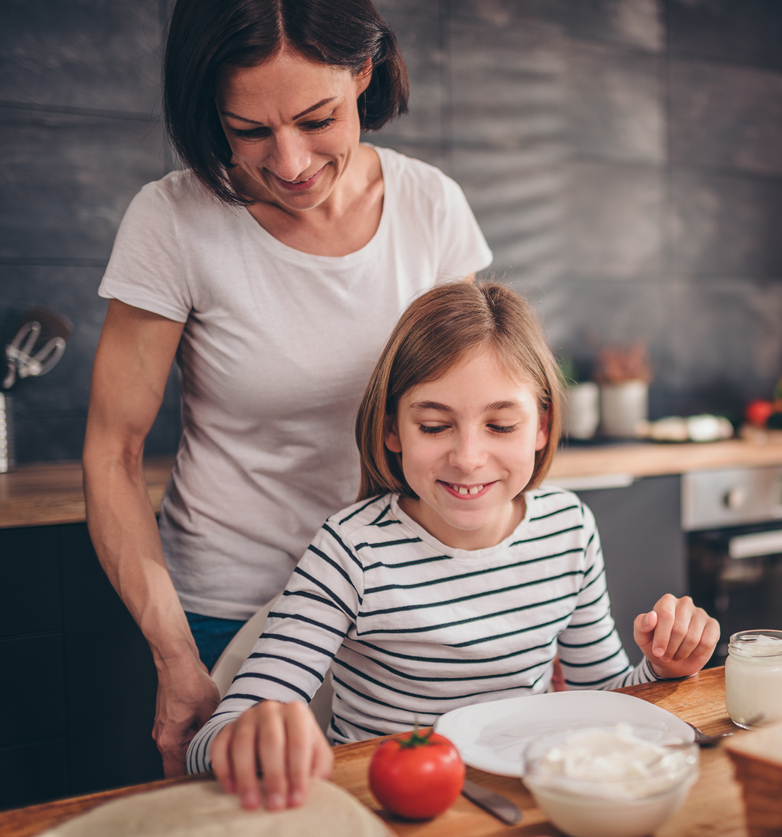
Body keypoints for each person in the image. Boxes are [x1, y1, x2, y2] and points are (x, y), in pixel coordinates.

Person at [82, 0, 492, 778]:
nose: (292, 161)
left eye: (317, 118)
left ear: (362, 73)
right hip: (225, 607)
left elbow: (464, 418)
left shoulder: (431, 207)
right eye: (250, 132)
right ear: (211, 108)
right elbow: (112, 450)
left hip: (394, 597)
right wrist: (173, 652)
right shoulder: (172, 220)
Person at [184, 283, 720, 810]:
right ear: (393, 429)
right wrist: (247, 736)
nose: (468, 456)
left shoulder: (568, 528)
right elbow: (209, 745)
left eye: (501, 424)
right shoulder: (351, 550)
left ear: (541, 426)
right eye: (436, 425)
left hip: (522, 807)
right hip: (388, 811)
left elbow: (600, 700)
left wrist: (662, 669)